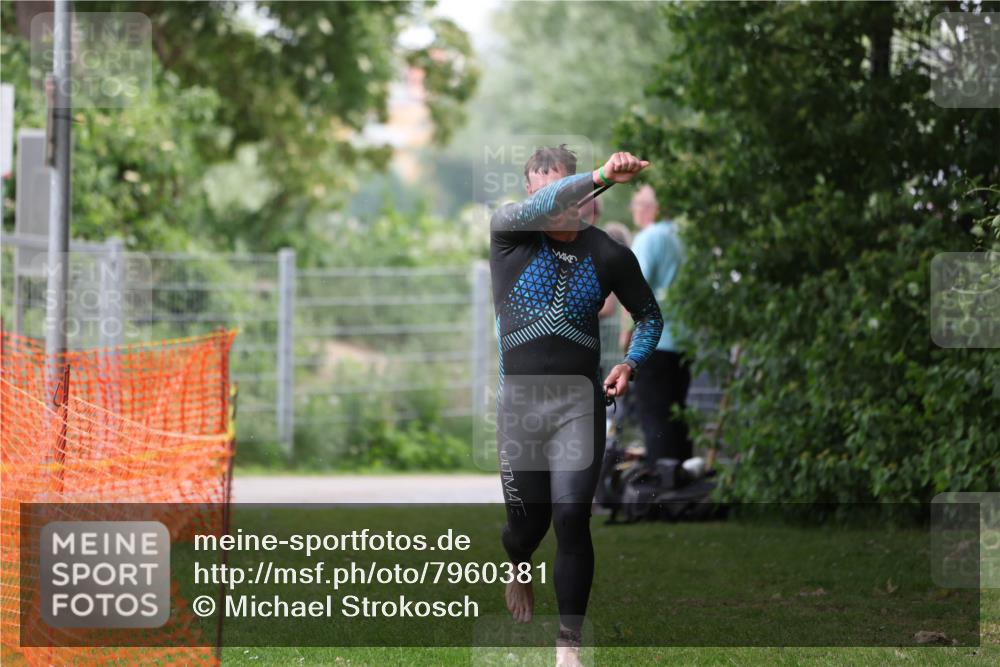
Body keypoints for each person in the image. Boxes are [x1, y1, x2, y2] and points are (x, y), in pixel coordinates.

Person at [489, 144, 662, 666]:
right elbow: (550, 202)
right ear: (528, 195)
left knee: (570, 517)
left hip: (577, 406)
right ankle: (518, 563)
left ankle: (568, 646)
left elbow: (650, 317)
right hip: (519, 406)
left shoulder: (609, 254)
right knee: (527, 526)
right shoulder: (508, 235)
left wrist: (629, 363)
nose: (550, 201)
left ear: (586, 198)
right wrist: (602, 173)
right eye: (539, 192)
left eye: (562, 189)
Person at [625, 185, 692, 465]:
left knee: (654, 416)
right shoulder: (684, 238)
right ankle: (683, 487)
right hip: (685, 341)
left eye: (640, 204)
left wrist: (627, 335)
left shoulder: (648, 238)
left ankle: (661, 492)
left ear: (656, 207)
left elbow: (633, 288)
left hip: (654, 342)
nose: (634, 210)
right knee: (677, 417)